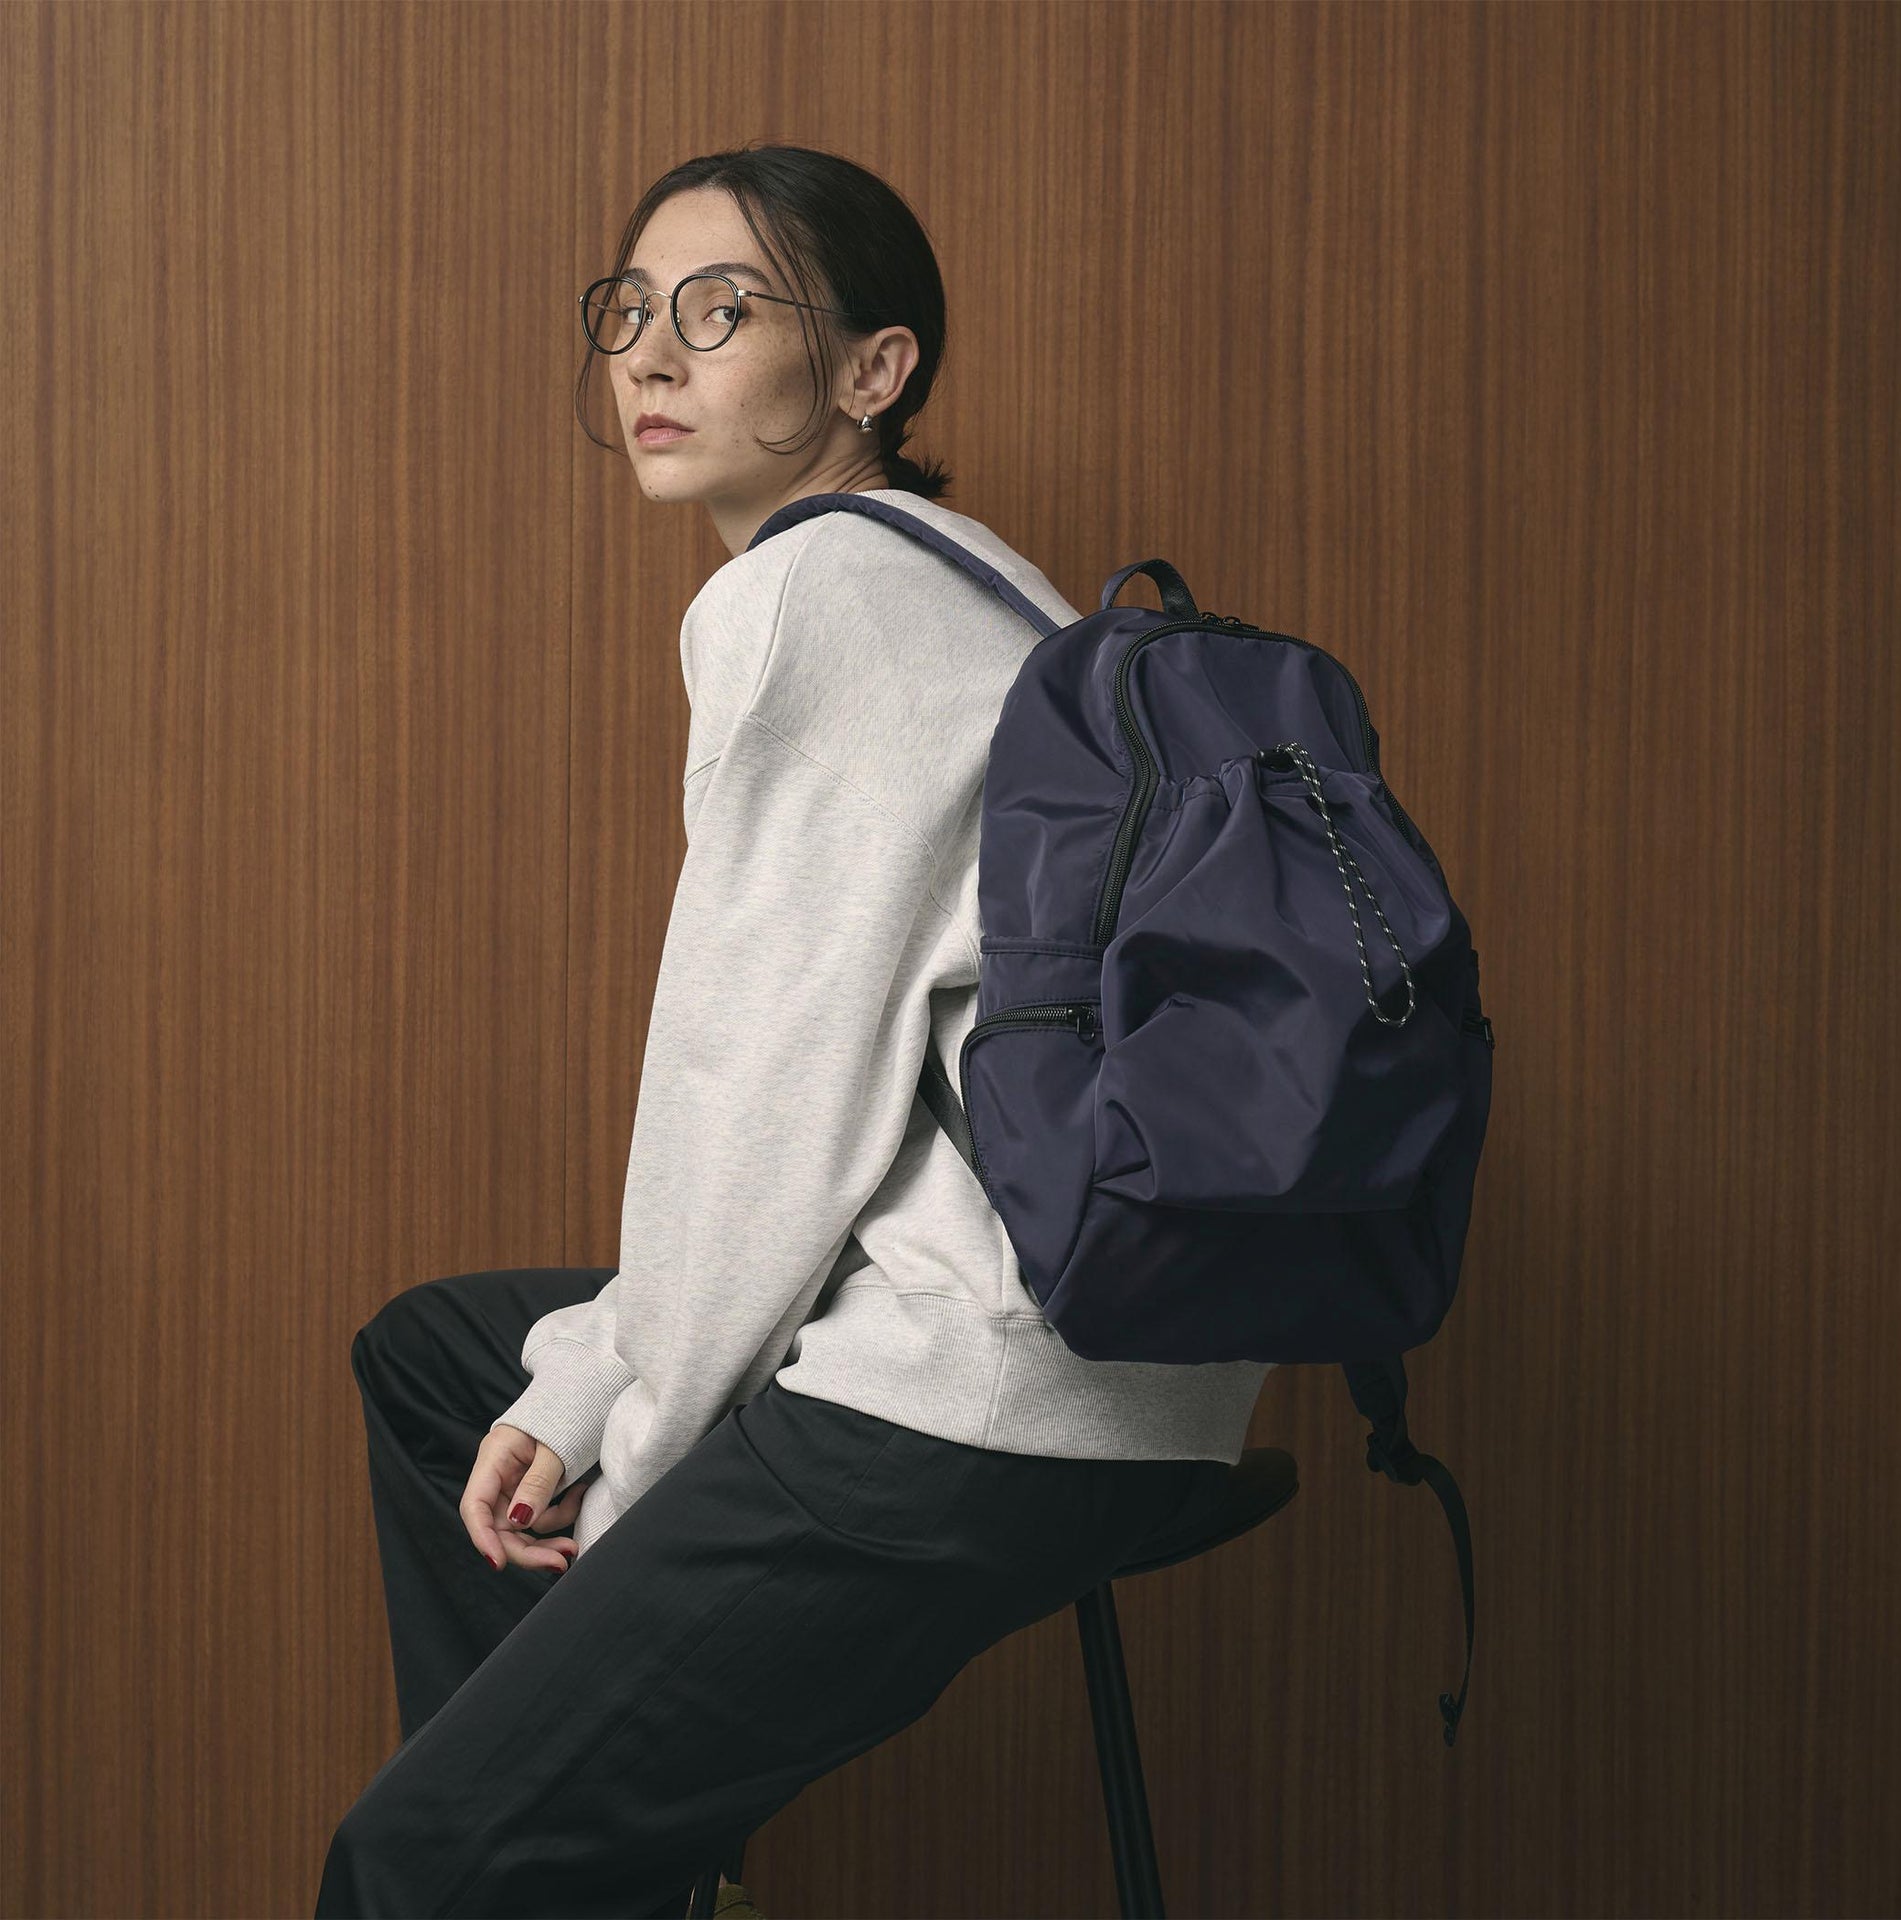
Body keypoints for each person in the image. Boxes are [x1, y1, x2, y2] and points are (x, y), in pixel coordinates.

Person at [314, 141, 1272, 1920]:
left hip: (980, 1385)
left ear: (871, 371)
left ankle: (540, 1849)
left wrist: (638, 1461)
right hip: (1147, 1359)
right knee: (446, 1359)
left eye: (722, 309)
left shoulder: (805, 596)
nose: (649, 355)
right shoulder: (973, 575)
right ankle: (597, 1842)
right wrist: (590, 1379)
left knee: (415, 1869)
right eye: (630, 309)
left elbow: (763, 1096)